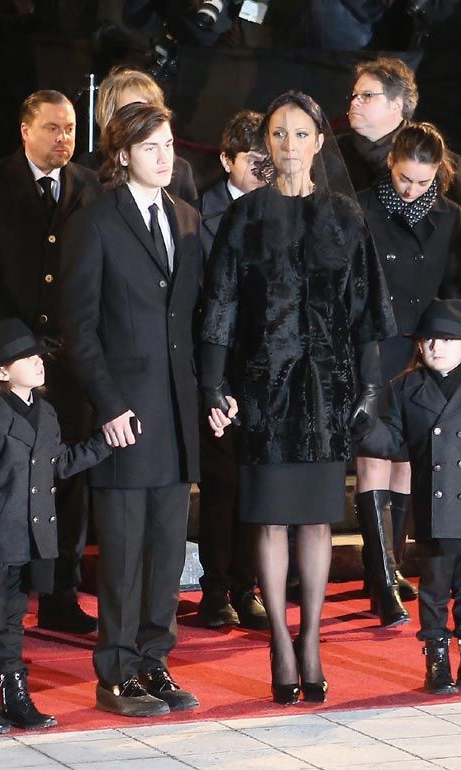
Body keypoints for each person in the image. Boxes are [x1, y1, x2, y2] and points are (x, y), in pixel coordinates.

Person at [201, 91, 396, 704]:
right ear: (267, 144)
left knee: (315, 519)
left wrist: (368, 389)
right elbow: (220, 309)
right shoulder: (244, 217)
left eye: (300, 133)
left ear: (318, 141)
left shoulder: (345, 215)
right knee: (268, 519)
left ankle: (310, 641)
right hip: (262, 391)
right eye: (278, 134)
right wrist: (215, 384)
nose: (289, 145)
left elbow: (367, 310)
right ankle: (280, 649)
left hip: (326, 392)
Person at [60, 102, 202, 717]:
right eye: (151, 147)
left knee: (168, 548)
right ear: (121, 154)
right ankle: (116, 670)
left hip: (176, 415)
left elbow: (193, 324)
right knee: (122, 550)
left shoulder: (190, 221)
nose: (165, 156)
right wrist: (108, 405)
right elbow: (79, 329)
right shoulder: (95, 224)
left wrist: (212, 395)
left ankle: (154, 662)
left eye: (169, 144)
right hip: (124, 418)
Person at [0, 89, 102, 634]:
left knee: (66, 478)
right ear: (24, 129)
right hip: (3, 355)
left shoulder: (89, 186)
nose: (65, 138)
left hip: (68, 359)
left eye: (70, 128)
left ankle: (61, 594)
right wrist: (13, 342)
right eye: (53, 128)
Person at [0, 318, 112, 735]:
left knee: (15, 617)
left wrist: (102, 444)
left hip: (32, 537)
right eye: (26, 357)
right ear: (2, 371)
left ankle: (15, 693)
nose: (38, 362)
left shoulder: (46, 413)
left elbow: (56, 464)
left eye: (38, 355)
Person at [354, 298, 461, 695]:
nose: (435, 346)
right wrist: (364, 427)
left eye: (446, 339)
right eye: (429, 339)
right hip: (433, 511)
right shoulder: (405, 388)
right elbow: (394, 442)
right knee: (433, 590)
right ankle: (437, 662)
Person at [356, 121, 461, 627]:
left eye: (423, 182)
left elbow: (455, 289)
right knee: (374, 458)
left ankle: (392, 569)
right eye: (405, 178)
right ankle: (381, 580)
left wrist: (452, 349)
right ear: (390, 162)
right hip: (373, 347)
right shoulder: (362, 207)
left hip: (421, 352)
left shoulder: (449, 217)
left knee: (405, 461)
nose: (412, 189)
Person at [338, 56, 461, 327]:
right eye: (354, 94)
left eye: (367, 95)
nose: (354, 101)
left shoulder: (447, 165)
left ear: (397, 105)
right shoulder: (331, 157)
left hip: (419, 328)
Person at [197, 109, 269, 630]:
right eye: (253, 159)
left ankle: (248, 587)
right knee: (222, 483)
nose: (264, 168)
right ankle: (215, 590)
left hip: (265, 368)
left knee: (256, 483)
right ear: (227, 159)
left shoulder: (279, 209)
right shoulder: (201, 212)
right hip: (219, 364)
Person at [76, 64, 198, 205]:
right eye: (134, 111)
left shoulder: (180, 170)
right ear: (110, 116)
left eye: (149, 108)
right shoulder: (88, 168)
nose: (144, 118)